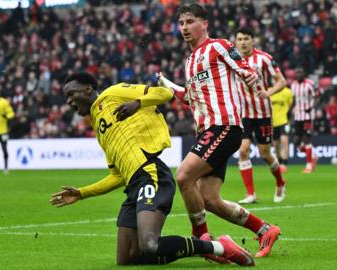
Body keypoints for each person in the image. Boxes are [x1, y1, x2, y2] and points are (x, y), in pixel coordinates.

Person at [50, 72, 255, 266]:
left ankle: (218, 246)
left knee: (149, 244)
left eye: (71, 94)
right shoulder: (97, 124)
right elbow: (116, 176)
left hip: (151, 175)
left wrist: (137, 103)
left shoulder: (113, 93)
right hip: (133, 186)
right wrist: (81, 193)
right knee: (128, 257)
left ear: (87, 90)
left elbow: (165, 93)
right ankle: (199, 246)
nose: (68, 102)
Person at [160, 3, 281, 261]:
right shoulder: (190, 61)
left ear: (204, 23)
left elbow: (243, 67)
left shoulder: (218, 46)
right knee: (209, 199)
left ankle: (203, 241)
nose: (184, 28)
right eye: (181, 23)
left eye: (190, 21)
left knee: (183, 176)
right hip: (207, 130)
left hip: (224, 126)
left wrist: (251, 77)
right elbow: (191, 99)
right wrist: (169, 87)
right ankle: (264, 229)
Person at [233, 27, 288, 204]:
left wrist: (268, 92)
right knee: (243, 150)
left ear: (253, 40)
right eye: (239, 39)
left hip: (262, 113)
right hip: (243, 114)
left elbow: (282, 81)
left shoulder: (264, 58)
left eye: (246, 38)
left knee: (265, 154)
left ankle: (280, 182)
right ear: (235, 42)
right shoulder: (231, 59)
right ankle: (251, 194)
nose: (243, 42)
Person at [290, 68, 319, 173]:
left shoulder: (310, 84)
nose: (298, 74)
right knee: (297, 142)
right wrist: (291, 108)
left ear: (304, 74)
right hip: (298, 116)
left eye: (300, 72)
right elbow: (293, 99)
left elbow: (317, 96)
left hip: (308, 116)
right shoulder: (293, 85)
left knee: (307, 139)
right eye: (296, 72)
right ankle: (313, 156)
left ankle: (308, 165)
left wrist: (312, 107)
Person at [270, 86, 293, 173]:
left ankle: (284, 163)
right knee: (275, 144)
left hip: (284, 121)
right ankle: (279, 161)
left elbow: (290, 105)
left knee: (284, 140)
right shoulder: (269, 91)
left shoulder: (287, 92)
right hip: (273, 122)